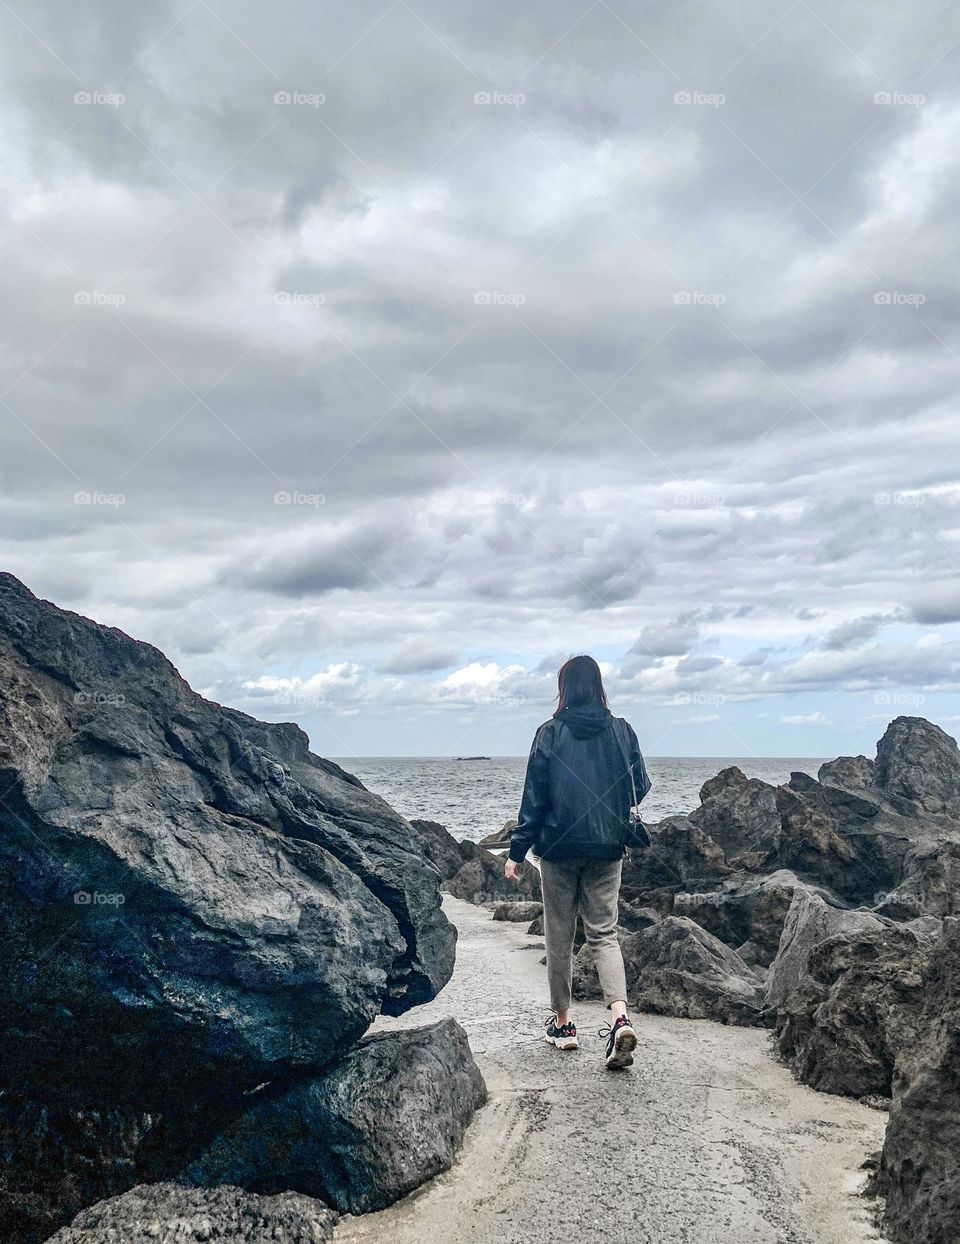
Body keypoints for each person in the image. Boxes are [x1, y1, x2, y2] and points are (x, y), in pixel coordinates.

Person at [504, 655, 651, 1070]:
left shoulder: (549, 733)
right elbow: (640, 786)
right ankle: (620, 1018)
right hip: (607, 846)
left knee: (560, 936)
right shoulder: (622, 730)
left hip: (558, 848)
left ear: (564, 688)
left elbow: (534, 797)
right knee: (604, 934)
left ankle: (564, 1026)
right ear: (599, 686)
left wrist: (516, 851)